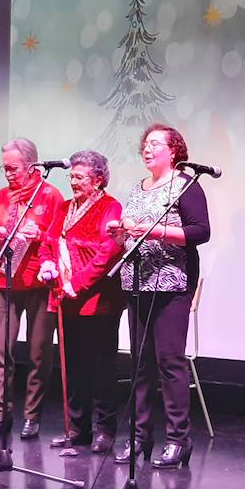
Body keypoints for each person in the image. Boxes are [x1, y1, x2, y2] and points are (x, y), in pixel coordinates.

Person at [107, 123, 210, 469]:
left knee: (170, 364)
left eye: (155, 144)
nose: (147, 150)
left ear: (174, 151)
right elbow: (131, 232)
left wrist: (157, 231)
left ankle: (179, 439)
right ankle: (140, 438)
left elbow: (200, 231)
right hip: (138, 281)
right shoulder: (138, 189)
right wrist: (120, 233)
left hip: (172, 284)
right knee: (140, 365)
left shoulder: (186, 186)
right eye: (145, 145)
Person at [0, 138, 66, 440]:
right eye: (4, 169)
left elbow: (59, 239)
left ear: (31, 166)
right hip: (5, 281)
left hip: (39, 283)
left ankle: (32, 416)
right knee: (0, 351)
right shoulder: (2, 196)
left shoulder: (50, 195)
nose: (8, 174)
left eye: (13, 168)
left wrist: (39, 234)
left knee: (39, 352)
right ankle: (0, 415)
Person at [37, 150, 125, 453]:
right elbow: (48, 242)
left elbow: (108, 251)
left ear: (98, 179)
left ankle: (105, 429)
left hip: (98, 298)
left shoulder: (110, 207)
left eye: (79, 177)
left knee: (102, 364)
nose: (73, 182)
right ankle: (77, 427)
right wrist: (47, 265)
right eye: (71, 176)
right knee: (73, 365)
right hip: (66, 296)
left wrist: (79, 282)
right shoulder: (63, 208)